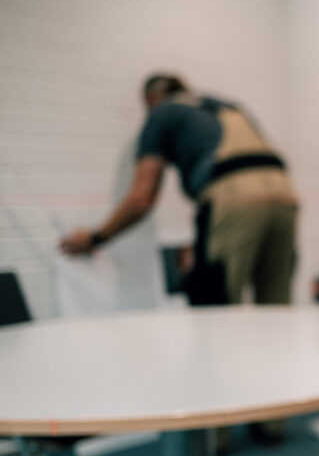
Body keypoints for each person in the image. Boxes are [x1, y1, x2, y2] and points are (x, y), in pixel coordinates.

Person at [60, 74, 299, 306]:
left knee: (214, 305)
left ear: (151, 98)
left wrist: (96, 238)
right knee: (276, 307)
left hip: (232, 198)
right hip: (285, 195)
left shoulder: (162, 113)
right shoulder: (225, 106)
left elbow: (141, 199)